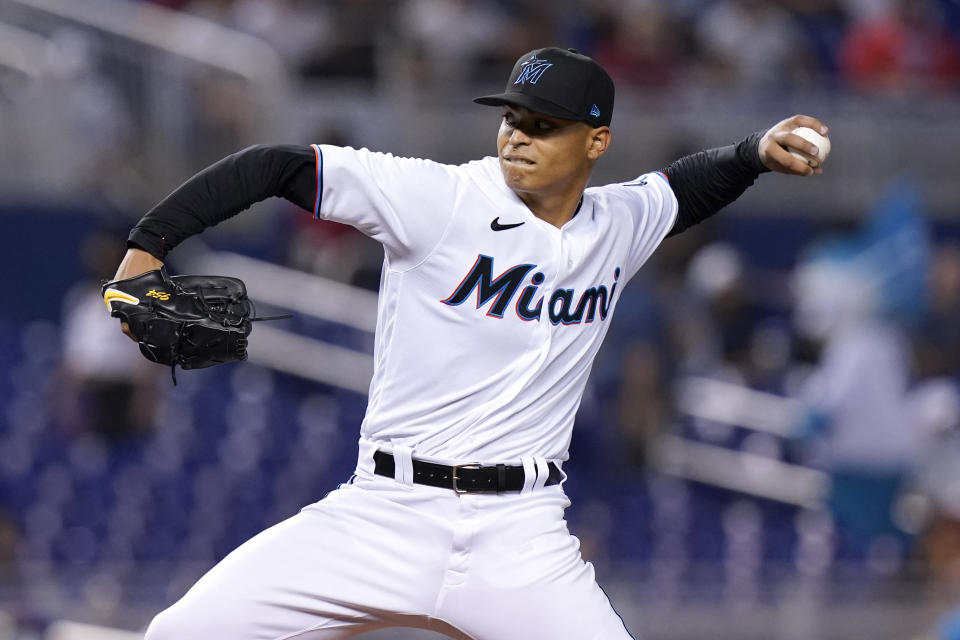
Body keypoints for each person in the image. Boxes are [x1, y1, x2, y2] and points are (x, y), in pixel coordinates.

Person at [111, 47, 827, 640]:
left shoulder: (618, 222)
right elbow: (276, 164)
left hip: (521, 537)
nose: (516, 134)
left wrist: (753, 153)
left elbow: (681, 190)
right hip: (382, 514)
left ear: (595, 141)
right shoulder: (441, 199)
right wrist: (148, 247)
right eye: (511, 116)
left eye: (542, 124)